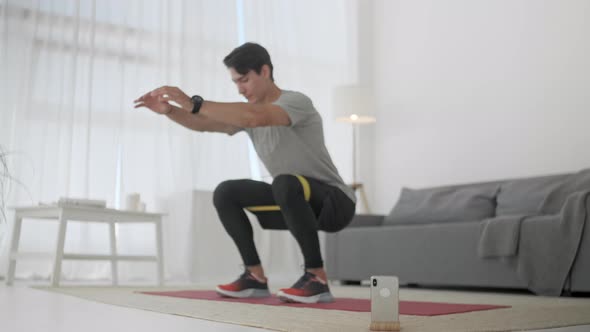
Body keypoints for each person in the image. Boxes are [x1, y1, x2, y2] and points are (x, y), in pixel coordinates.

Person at [134, 42, 356, 303]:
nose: (240, 89)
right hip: (292, 199)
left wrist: (192, 102)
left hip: (335, 203)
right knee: (227, 192)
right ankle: (255, 277)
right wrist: (171, 110)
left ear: (264, 71)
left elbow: (255, 117)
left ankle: (316, 278)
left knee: (284, 183)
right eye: (235, 83)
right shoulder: (249, 113)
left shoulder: (296, 102)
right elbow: (204, 123)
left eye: (245, 80)